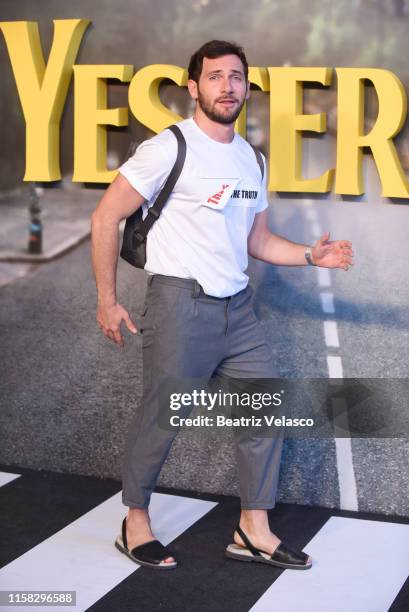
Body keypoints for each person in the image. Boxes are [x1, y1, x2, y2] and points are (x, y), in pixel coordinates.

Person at [91, 40, 353, 571]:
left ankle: (253, 528)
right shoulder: (169, 147)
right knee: (163, 416)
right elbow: (104, 218)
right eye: (215, 77)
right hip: (179, 303)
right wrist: (107, 300)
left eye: (236, 77)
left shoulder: (251, 159)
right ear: (194, 87)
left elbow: (258, 242)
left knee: (263, 410)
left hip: (239, 308)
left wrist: (310, 254)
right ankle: (134, 521)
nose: (227, 86)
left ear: (246, 88)